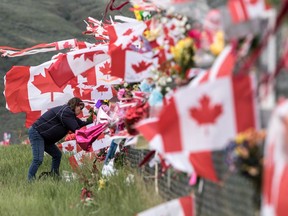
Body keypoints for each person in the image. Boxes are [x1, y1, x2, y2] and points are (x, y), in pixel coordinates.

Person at [27, 97, 92, 181]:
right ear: (75, 105)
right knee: (38, 159)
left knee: (57, 155)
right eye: (81, 107)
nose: (81, 110)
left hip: (45, 138)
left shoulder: (69, 114)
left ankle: (55, 176)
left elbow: (82, 124)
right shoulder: (66, 111)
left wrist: (94, 120)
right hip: (37, 133)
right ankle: (30, 181)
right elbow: (76, 128)